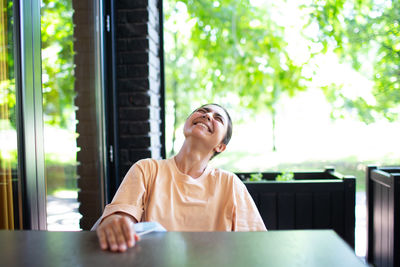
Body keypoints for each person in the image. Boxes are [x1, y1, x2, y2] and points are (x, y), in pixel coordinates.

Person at [96, 103, 266, 252]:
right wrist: (115, 224)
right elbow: (119, 217)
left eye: (218, 118)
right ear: (186, 124)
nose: (207, 115)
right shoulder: (147, 169)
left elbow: (256, 243)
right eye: (202, 111)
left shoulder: (230, 184)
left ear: (221, 146)